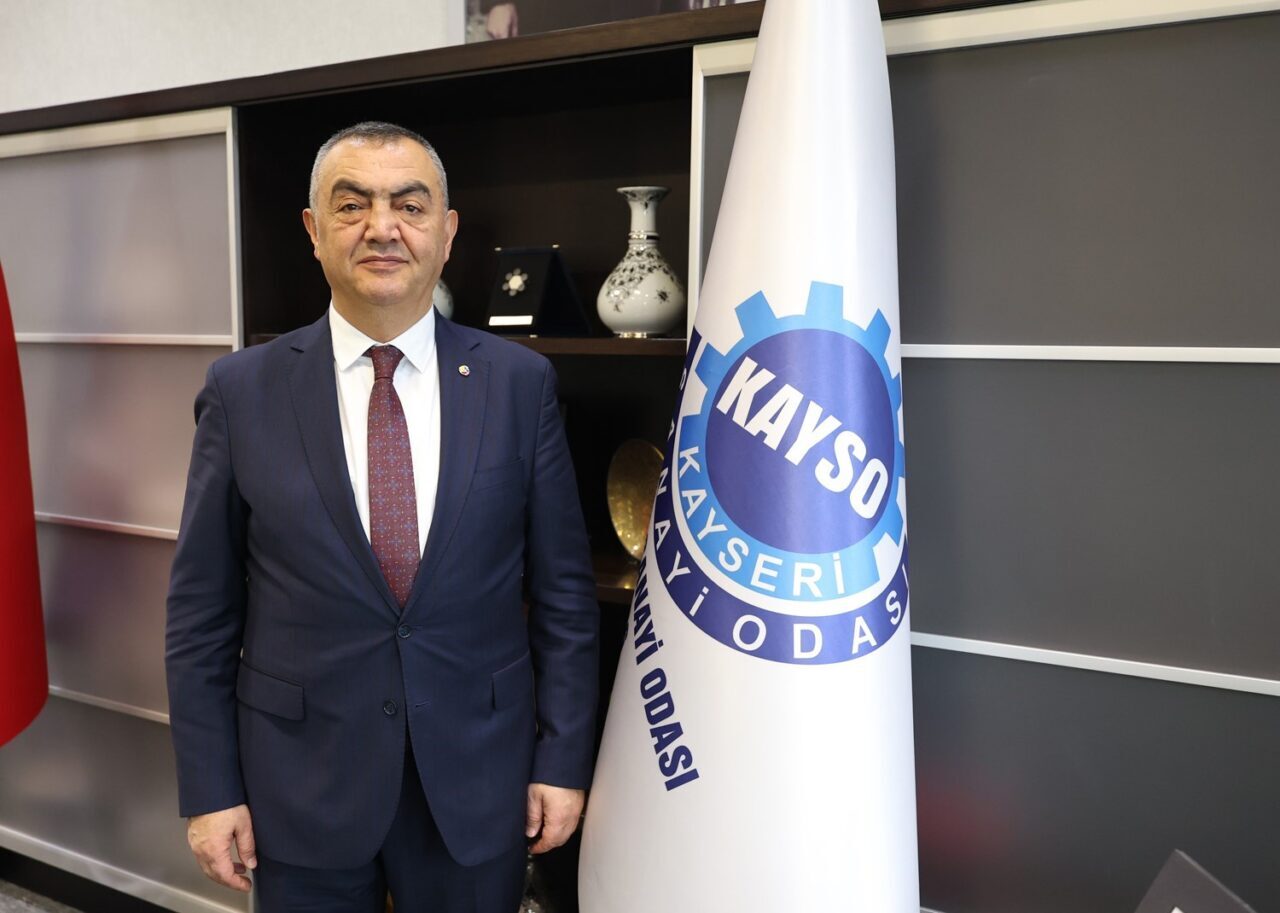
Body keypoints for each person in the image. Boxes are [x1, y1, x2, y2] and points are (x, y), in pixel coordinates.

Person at [165, 121, 599, 911]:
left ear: (446, 232)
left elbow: (565, 598)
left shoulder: (519, 384)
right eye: (352, 204)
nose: (382, 227)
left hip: (478, 777)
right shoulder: (241, 390)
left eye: (409, 204)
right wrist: (210, 788)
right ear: (313, 230)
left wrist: (562, 761)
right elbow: (201, 612)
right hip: (298, 786)